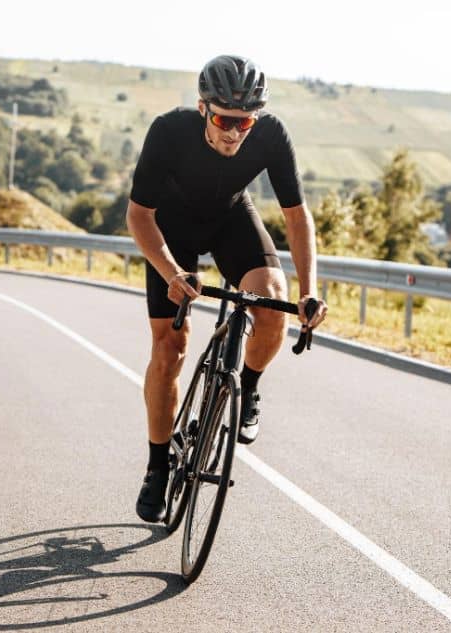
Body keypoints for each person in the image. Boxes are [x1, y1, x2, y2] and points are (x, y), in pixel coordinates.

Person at [126, 55, 327, 523]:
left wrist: (310, 289)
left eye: (245, 123)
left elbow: (297, 218)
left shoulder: (271, 136)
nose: (235, 132)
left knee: (272, 301)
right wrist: (173, 272)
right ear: (203, 108)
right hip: (170, 232)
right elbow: (139, 216)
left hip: (230, 220)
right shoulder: (168, 132)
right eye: (224, 120)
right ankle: (158, 466)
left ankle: (249, 387)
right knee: (169, 347)